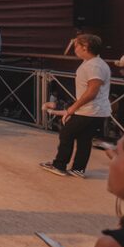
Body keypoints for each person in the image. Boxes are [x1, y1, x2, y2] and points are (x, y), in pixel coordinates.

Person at [40, 34, 113, 178]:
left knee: (67, 133)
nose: (75, 49)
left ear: (85, 47)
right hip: (94, 110)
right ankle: (78, 169)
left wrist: (72, 109)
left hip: (90, 110)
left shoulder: (94, 65)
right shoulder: (93, 63)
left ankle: (59, 165)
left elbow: (92, 91)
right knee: (84, 139)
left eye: (77, 46)